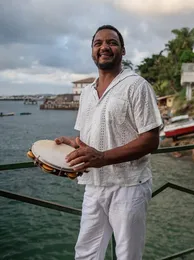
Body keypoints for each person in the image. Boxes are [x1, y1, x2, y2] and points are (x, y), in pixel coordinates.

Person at [55, 25, 162, 260]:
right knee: (86, 253)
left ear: (122, 51)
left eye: (112, 42)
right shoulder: (87, 93)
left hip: (129, 185)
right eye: (98, 43)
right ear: (92, 51)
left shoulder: (137, 86)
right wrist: (71, 145)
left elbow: (151, 140)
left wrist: (102, 158)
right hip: (94, 185)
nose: (104, 47)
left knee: (128, 255)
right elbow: (88, 140)